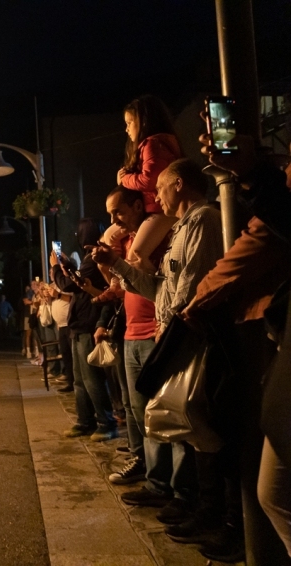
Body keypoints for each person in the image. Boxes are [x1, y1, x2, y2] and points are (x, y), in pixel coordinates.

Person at [93, 158, 225, 548]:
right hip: (172, 335)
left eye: (161, 189)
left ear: (179, 185)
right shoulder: (183, 228)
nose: (156, 196)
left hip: (187, 339)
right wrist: (114, 262)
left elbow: (190, 291)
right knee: (178, 419)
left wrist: (169, 328)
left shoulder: (203, 221)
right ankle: (198, 506)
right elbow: (159, 290)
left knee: (195, 423)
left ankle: (208, 510)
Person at [181, 135, 291, 563]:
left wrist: (199, 298)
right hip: (274, 331)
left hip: (262, 329)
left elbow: (257, 242)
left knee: (270, 480)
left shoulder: (208, 218)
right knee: (272, 488)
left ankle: (231, 526)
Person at [52, 219, 118, 442]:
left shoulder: (93, 259)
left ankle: (105, 423)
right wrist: (67, 265)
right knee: (80, 380)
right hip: (79, 325)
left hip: (89, 324)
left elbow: (68, 285)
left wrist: (55, 267)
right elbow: (77, 281)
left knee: (92, 379)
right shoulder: (89, 260)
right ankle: (85, 421)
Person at [115, 95, 182, 272]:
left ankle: (155, 289)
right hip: (155, 208)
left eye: (130, 123)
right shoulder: (154, 145)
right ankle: (118, 282)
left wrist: (124, 179)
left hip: (161, 209)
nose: (126, 129)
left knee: (136, 255)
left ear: (143, 122)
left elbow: (149, 179)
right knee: (112, 238)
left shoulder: (153, 144)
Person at [47, 277, 73, 393]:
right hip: (61, 325)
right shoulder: (54, 285)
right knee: (66, 355)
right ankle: (71, 382)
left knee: (73, 356)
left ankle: (77, 383)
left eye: (53, 272)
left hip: (70, 324)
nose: (51, 274)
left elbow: (72, 299)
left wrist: (57, 295)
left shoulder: (67, 283)